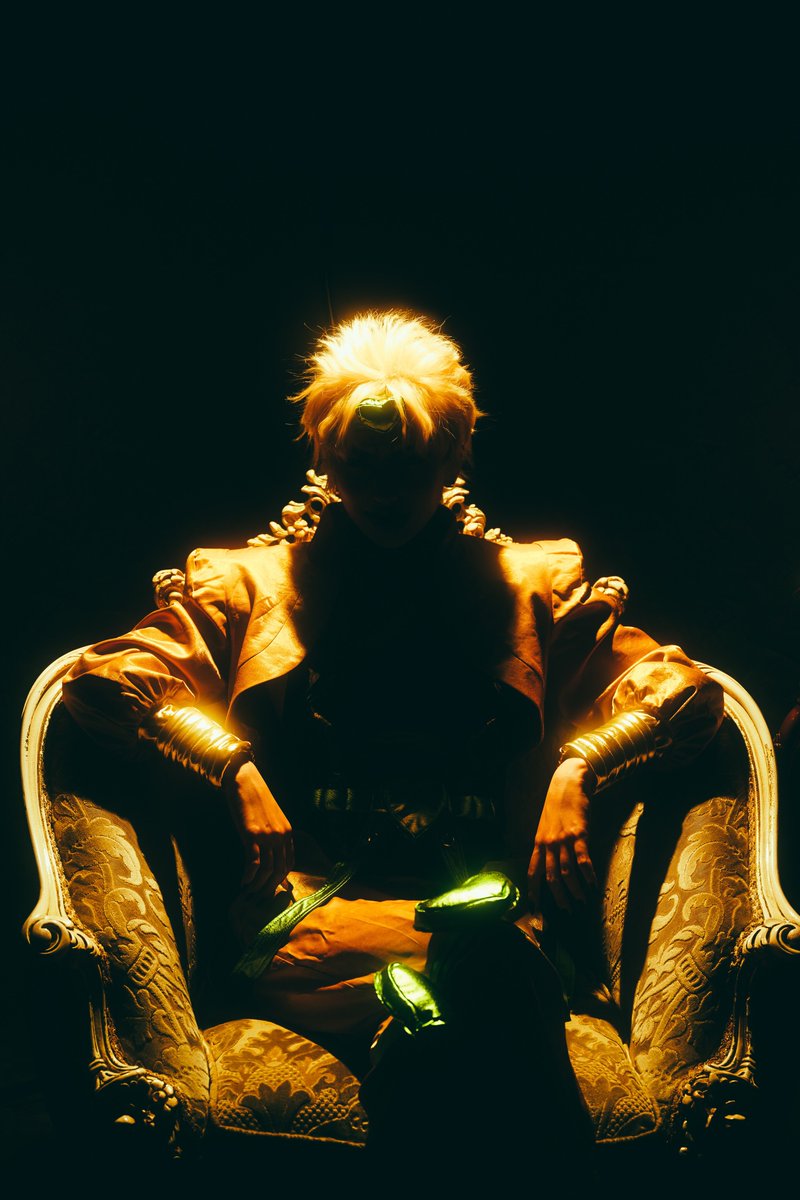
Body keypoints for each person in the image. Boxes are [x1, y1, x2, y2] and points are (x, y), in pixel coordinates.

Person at [61, 309, 724, 1180]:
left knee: (475, 983)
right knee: (490, 987)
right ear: (324, 461)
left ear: (452, 460)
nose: (384, 491)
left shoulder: (531, 585)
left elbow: (687, 697)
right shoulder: (245, 584)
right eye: (360, 466)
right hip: (314, 924)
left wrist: (580, 766)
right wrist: (230, 764)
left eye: (409, 466)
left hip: (489, 917)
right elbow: (101, 686)